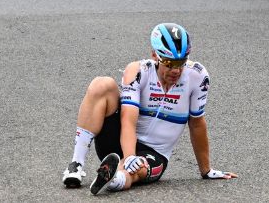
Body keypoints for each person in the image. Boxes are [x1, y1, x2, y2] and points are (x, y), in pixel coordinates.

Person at [61, 23, 236, 195]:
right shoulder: (138, 71)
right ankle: (76, 165)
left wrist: (206, 170)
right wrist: (129, 156)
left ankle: (114, 178)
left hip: (155, 152)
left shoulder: (198, 77)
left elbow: (197, 124)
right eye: (169, 62)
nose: (176, 70)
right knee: (102, 84)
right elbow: (127, 120)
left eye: (180, 62)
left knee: (140, 167)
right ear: (154, 55)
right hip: (119, 141)